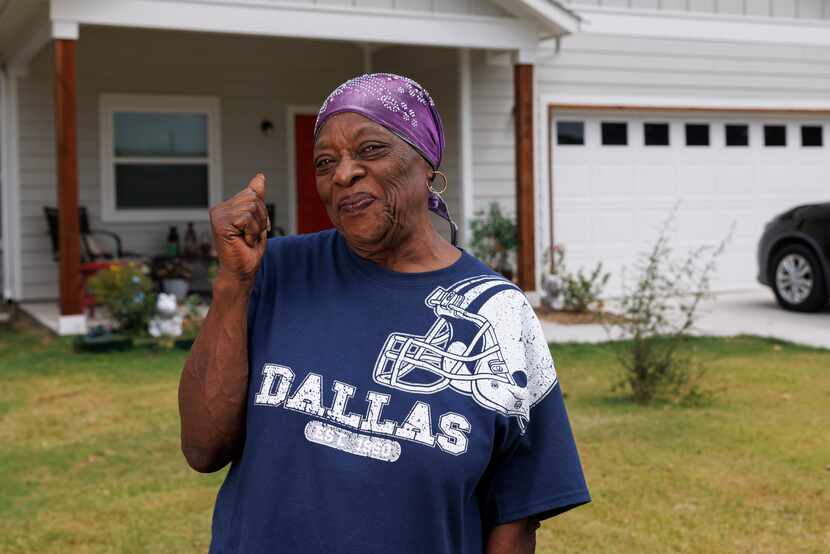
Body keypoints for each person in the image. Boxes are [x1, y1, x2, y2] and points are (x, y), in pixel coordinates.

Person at [178, 73, 590, 554]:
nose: (343, 174)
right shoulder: (275, 272)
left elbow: (516, 516)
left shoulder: (498, 311)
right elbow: (202, 449)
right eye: (325, 162)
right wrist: (233, 284)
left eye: (370, 150)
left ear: (426, 163)